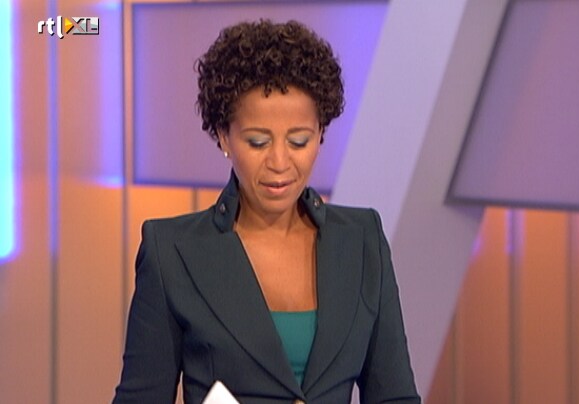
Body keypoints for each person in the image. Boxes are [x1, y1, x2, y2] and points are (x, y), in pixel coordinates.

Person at [112, 20, 420, 404]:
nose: (279, 162)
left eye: (299, 141)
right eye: (258, 142)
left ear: (321, 134)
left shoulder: (362, 240)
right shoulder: (172, 252)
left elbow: (395, 397)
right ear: (223, 136)